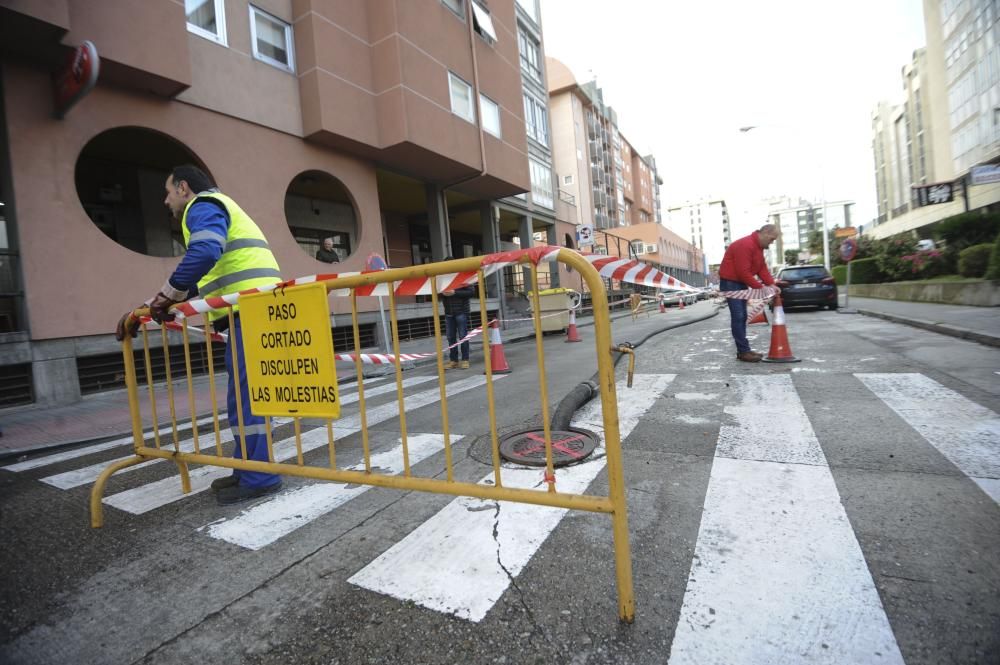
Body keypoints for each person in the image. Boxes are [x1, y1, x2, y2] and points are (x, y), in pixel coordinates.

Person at [114, 165, 284, 505]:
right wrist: (151, 304)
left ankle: (261, 477)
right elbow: (199, 277)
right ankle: (249, 469)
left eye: (167, 192)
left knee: (249, 401)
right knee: (242, 402)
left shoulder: (202, 206)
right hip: (249, 314)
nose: (165, 201)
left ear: (183, 187)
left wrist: (165, 297)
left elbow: (204, 254)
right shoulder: (218, 209)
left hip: (249, 314)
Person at [718, 223, 781, 362]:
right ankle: (743, 351)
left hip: (738, 283)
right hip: (731, 283)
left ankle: (744, 350)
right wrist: (762, 288)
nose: (771, 243)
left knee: (742, 315)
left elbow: (761, 269)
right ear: (765, 233)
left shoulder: (757, 248)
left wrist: (772, 284)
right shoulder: (746, 245)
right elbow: (743, 272)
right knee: (739, 316)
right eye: (771, 239)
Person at [440, 257, 475, 369]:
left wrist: (454, 292)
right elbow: (438, 292)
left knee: (463, 336)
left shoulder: (463, 276)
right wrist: (442, 293)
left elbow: (471, 292)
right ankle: (453, 360)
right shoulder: (444, 279)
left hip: (461, 311)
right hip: (449, 312)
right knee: (450, 337)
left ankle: (465, 359)